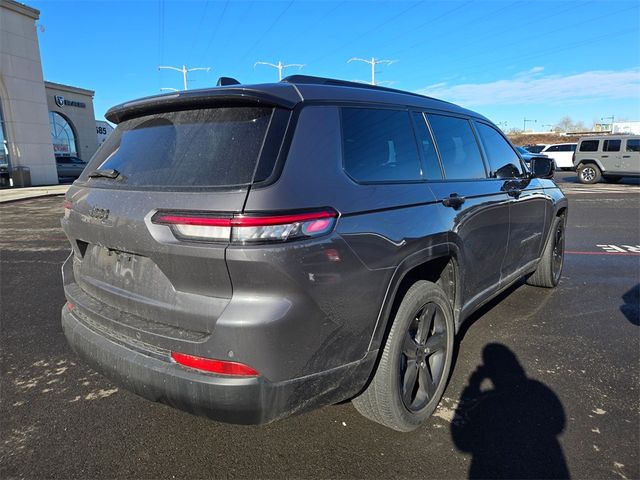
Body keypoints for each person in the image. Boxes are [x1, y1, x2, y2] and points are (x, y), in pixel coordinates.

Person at [451, 343, 570, 479]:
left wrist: (473, 384)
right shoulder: (537, 390)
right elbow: (559, 423)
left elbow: (461, 442)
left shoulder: (491, 400)